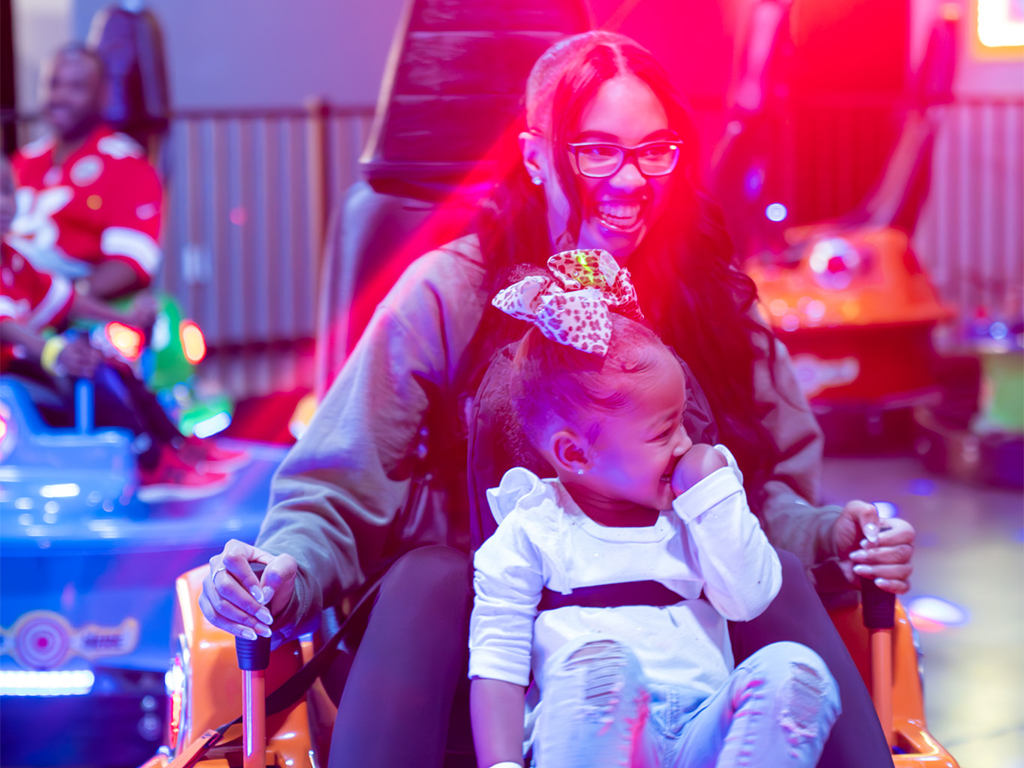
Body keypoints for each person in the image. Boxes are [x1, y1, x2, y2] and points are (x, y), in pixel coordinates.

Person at [202, 31, 913, 767]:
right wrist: (283, 570)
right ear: (536, 156)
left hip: (685, 637)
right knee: (429, 577)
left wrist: (839, 534)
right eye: (596, 150)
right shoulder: (454, 290)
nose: (631, 180)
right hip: (495, 649)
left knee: (784, 577)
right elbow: (337, 488)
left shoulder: (720, 302)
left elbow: (763, 507)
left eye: (653, 150)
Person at [470, 251, 840, 768]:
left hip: (699, 740)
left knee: (795, 671)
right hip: (596, 742)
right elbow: (497, 666)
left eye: (682, 422)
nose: (685, 442)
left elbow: (749, 599)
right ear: (575, 455)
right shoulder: (533, 530)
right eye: (664, 432)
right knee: (599, 669)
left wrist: (711, 490)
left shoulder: (694, 514)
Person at [0, 153, 230, 501]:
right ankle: (148, 464)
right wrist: (52, 352)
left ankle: (177, 447)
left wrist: (124, 319)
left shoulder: (14, 258)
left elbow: (65, 299)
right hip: (11, 372)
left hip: (23, 362)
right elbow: (6, 326)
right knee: (90, 371)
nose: (3, 203)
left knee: (114, 362)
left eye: (7, 191)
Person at [8, 44, 162, 301]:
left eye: (76, 87)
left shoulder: (127, 166)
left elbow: (131, 262)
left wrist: (63, 301)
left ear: (103, 95)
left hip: (63, 301)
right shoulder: (23, 160)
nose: (59, 97)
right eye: (54, 85)